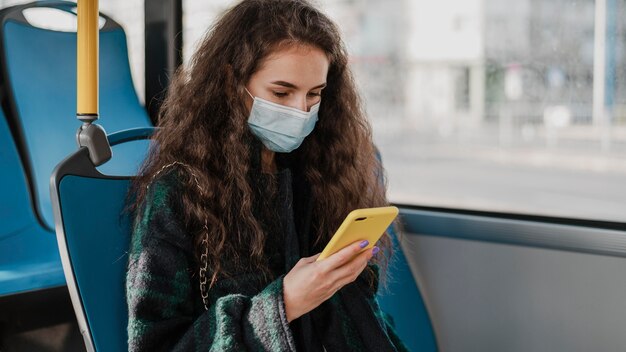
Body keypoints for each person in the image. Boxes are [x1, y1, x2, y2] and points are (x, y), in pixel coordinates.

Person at [125, 0, 408, 351]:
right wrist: (285, 303)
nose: (300, 111)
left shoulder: (319, 177)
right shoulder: (178, 192)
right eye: (281, 92)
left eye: (314, 95)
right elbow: (155, 345)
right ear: (232, 82)